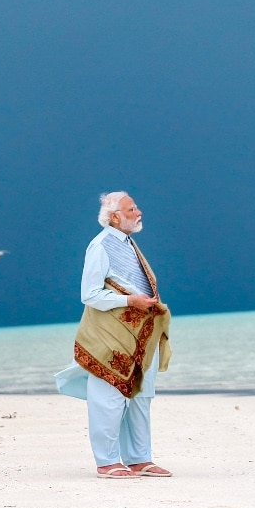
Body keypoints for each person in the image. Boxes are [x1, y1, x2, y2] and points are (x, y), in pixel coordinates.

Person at [54, 192, 173, 478]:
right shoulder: (100, 246)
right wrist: (130, 302)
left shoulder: (129, 243)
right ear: (115, 216)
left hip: (139, 334)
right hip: (110, 334)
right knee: (109, 396)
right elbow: (90, 294)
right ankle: (107, 461)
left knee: (141, 394)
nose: (139, 212)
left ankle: (139, 458)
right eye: (132, 209)